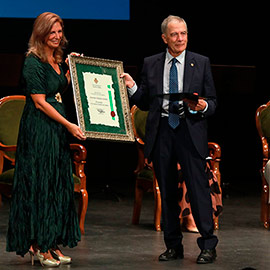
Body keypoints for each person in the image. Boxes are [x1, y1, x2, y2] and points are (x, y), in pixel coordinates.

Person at [122, 15, 218, 264]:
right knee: (167, 193)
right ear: (165, 38)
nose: (180, 38)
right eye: (175, 34)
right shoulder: (151, 63)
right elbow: (145, 101)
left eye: (184, 33)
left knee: (198, 191)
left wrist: (202, 105)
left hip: (189, 131)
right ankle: (173, 246)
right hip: (163, 131)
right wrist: (133, 87)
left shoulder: (201, 62)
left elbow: (213, 103)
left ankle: (208, 245)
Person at [6, 12, 86, 267]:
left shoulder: (56, 59)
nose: (56, 36)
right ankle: (38, 245)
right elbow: (40, 102)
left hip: (55, 131)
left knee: (55, 184)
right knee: (41, 185)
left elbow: (56, 88)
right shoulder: (33, 62)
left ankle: (51, 242)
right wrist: (70, 125)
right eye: (51, 32)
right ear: (40, 33)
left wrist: (72, 71)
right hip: (40, 129)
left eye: (59, 32)